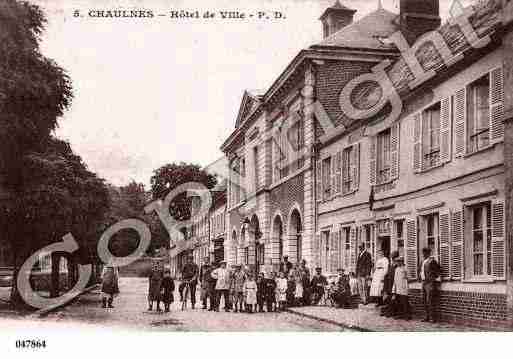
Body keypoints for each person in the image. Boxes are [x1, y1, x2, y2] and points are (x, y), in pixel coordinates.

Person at [420, 247, 440, 323]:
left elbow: (438, 271)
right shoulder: (422, 261)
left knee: (430, 300)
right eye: (423, 253)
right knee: (423, 300)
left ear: (428, 253)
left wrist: (433, 278)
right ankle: (426, 316)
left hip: (430, 283)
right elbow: (421, 271)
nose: (424, 254)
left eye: (425, 253)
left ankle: (432, 317)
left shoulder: (432, 261)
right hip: (423, 282)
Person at [381, 251, 399, 317]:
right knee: (389, 298)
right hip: (389, 284)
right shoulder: (391, 265)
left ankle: (393, 312)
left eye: (393, 257)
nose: (392, 259)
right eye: (392, 257)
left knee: (394, 298)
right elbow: (388, 274)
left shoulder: (397, 265)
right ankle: (390, 311)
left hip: (394, 284)